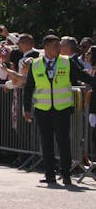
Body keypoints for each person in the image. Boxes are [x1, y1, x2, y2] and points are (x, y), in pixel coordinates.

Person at [23, 34, 93, 187]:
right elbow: (28, 88)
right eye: (55, 46)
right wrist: (27, 109)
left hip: (62, 109)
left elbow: (82, 76)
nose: (58, 49)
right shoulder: (35, 64)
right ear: (46, 47)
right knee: (46, 143)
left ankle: (66, 174)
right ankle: (49, 175)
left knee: (63, 143)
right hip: (43, 109)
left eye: (59, 46)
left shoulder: (67, 62)